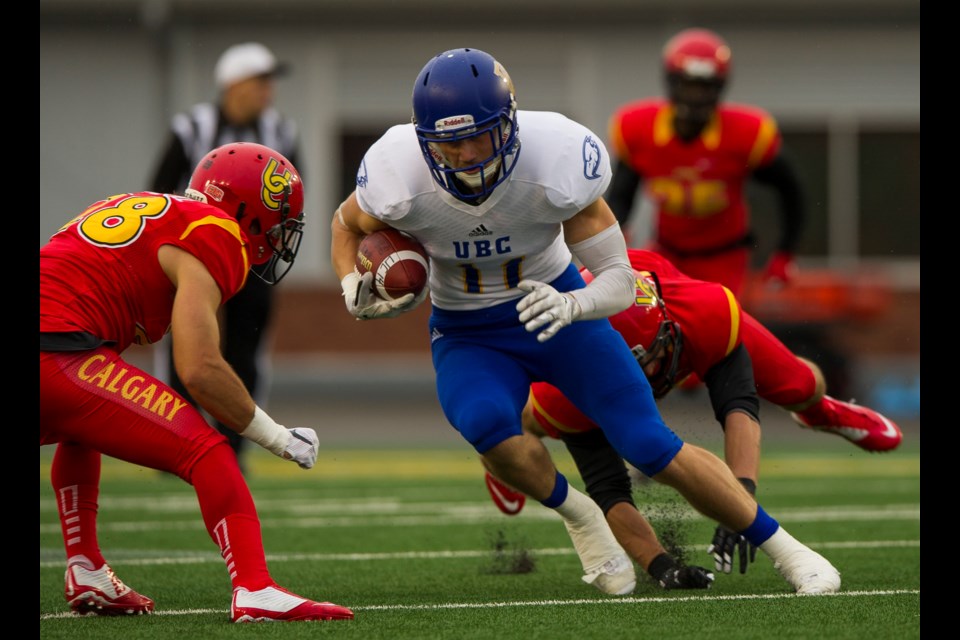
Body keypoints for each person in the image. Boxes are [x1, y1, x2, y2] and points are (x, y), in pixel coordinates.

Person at [330, 47, 840, 596]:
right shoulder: (397, 176)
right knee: (483, 424)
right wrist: (351, 285)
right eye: (451, 142)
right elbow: (344, 225)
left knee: (649, 444)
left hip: (559, 307)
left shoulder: (555, 158)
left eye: (481, 135)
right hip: (468, 328)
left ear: (510, 122)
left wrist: (574, 304)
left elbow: (620, 279)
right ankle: (581, 516)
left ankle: (789, 550)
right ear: (423, 139)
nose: (469, 154)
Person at [41, 142, 353, 623]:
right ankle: (255, 587)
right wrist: (278, 438)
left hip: (60, 348)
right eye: (279, 224)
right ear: (252, 211)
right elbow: (200, 369)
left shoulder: (152, 209)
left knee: (82, 427)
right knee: (206, 450)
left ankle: (86, 567)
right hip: (55, 351)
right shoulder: (218, 233)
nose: (278, 238)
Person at [483, 247, 902, 575]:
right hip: (588, 347)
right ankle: (502, 466)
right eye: (633, 365)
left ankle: (822, 412)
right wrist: (658, 565)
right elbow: (607, 486)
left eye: (648, 359)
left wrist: (742, 498)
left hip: (677, 306)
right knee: (521, 419)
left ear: (666, 329)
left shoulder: (705, 312)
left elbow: (738, 405)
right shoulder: (569, 380)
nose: (645, 373)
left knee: (800, 384)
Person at [148, 42, 301, 469]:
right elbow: (158, 192)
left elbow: (292, 201)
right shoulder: (192, 127)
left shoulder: (280, 131)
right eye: (260, 82)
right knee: (188, 349)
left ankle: (234, 447)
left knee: (245, 352)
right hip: (194, 260)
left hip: (254, 262)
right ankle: (177, 441)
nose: (268, 92)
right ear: (233, 85)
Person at [606, 28, 805, 300]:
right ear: (671, 83)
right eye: (688, 85)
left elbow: (790, 190)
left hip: (724, 257)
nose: (695, 96)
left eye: (704, 87)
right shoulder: (640, 130)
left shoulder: (744, 135)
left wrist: (785, 251)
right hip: (666, 253)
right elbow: (622, 195)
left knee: (719, 332)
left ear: (719, 87)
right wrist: (611, 242)